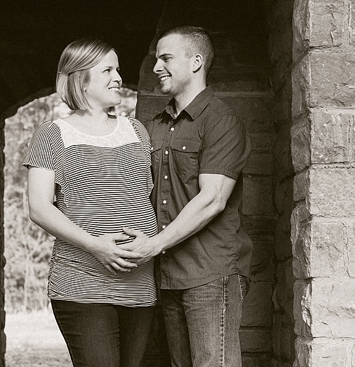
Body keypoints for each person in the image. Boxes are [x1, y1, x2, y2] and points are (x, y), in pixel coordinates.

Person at [120, 26, 253, 366]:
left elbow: (212, 199)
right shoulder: (155, 126)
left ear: (196, 62)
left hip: (211, 272)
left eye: (165, 58)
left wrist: (154, 244)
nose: (155, 67)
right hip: (166, 277)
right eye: (155, 59)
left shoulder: (222, 121)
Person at [24, 38, 158, 367]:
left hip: (141, 286)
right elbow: (39, 208)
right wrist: (96, 246)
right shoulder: (51, 133)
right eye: (108, 70)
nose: (118, 77)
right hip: (82, 284)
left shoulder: (137, 130)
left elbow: (150, 197)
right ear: (82, 79)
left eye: (118, 69)